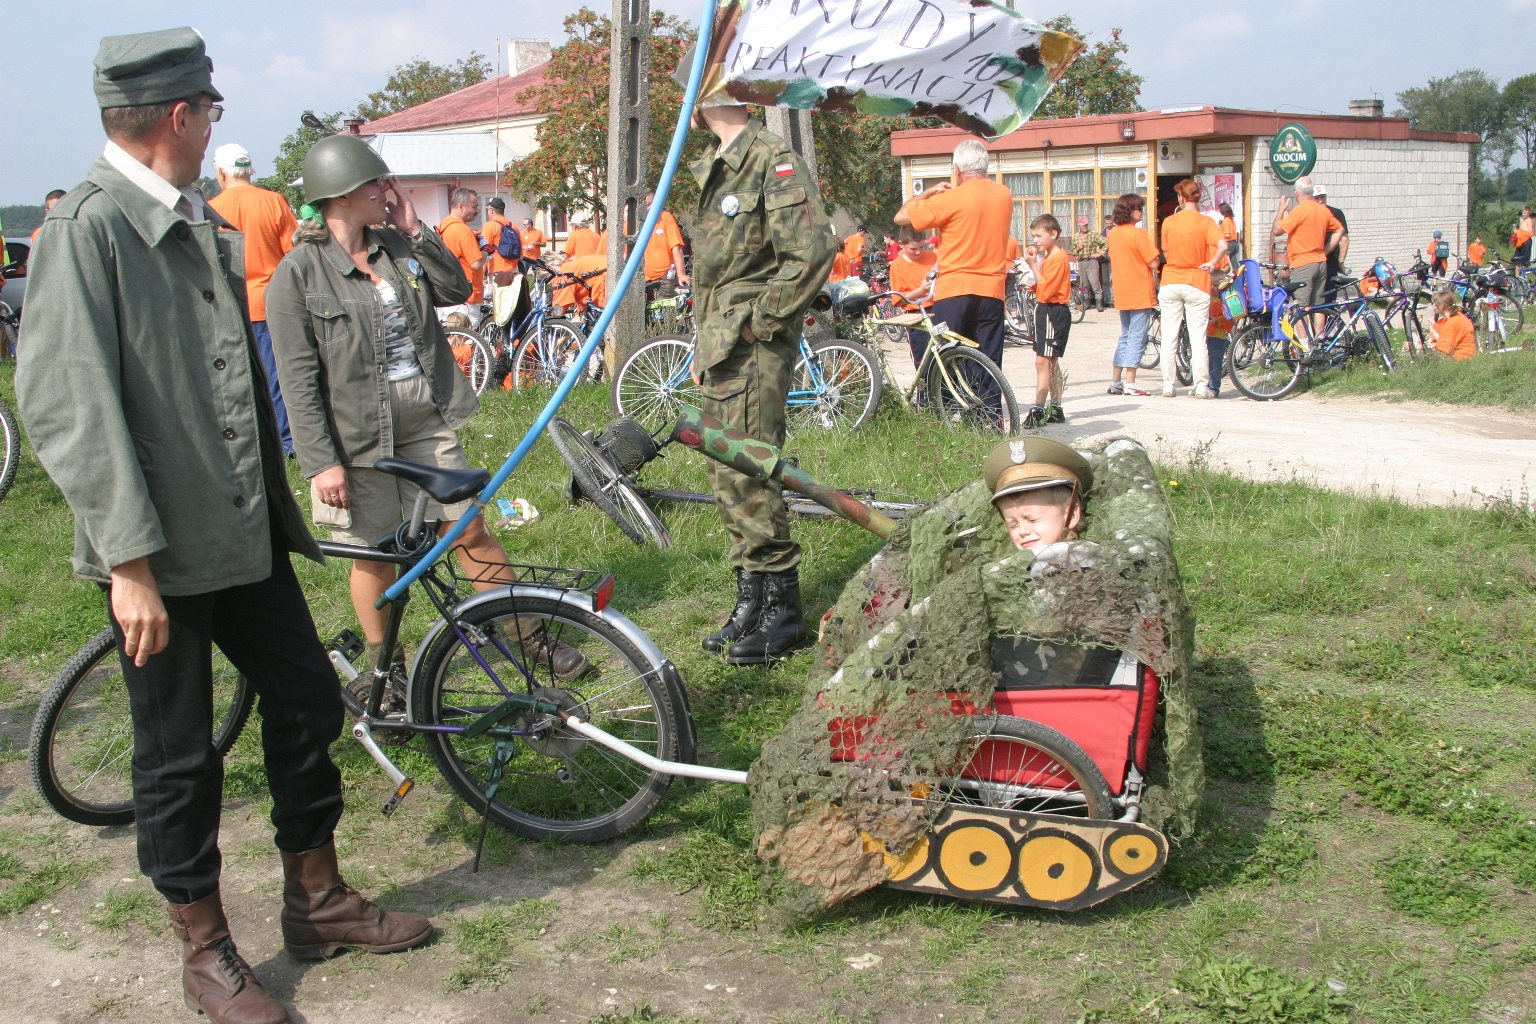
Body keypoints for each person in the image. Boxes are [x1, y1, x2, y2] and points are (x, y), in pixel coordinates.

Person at [16, 29, 433, 1024]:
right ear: (177, 115)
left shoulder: (195, 217)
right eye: (208, 110)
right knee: (178, 754)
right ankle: (205, 953)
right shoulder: (91, 230)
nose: (212, 126)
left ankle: (315, 899)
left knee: (307, 699)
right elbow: (66, 402)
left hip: (241, 531)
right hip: (157, 551)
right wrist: (126, 562)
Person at [267, 135, 588, 687]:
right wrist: (321, 462)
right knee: (377, 554)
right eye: (376, 182)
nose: (387, 190)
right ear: (341, 194)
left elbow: (456, 288)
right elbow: (295, 380)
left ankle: (527, 635)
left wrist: (416, 230)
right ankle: (386, 669)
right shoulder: (297, 274)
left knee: (468, 529)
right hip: (355, 437)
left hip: (425, 416)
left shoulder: (395, 245)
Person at [690, 102, 836, 665]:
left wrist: (757, 322)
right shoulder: (720, 161)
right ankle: (752, 599)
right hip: (722, 341)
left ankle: (783, 611)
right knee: (727, 472)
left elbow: (811, 251)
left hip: (750, 344)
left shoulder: (771, 157)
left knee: (750, 468)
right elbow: (716, 273)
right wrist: (707, 340)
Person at [894, 138, 1012, 384]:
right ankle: (990, 409)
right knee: (988, 363)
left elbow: (901, 217)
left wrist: (926, 194)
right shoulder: (1004, 195)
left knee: (947, 364)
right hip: (992, 290)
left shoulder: (952, 198)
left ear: (957, 170)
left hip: (955, 290)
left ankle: (945, 406)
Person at [208, 143, 298, 456]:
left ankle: (261, 438)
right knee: (280, 374)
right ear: (250, 170)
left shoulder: (212, 209)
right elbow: (294, 253)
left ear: (221, 174)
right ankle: (287, 439)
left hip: (232, 306)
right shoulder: (273, 201)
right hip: (274, 301)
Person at [1161, 178, 1226, 399]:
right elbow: (1223, 245)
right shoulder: (1206, 222)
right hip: (1197, 280)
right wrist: (1212, 262)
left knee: (1169, 336)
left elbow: (1167, 253)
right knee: (1198, 338)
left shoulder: (1169, 222)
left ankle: (1168, 385)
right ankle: (1200, 386)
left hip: (1171, 280)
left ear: (1181, 198)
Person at [983, 436, 1093, 554]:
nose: (1022, 531)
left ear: (1072, 515)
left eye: (1032, 519)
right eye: (1013, 525)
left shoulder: (1096, 560)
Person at [1271, 176, 1342, 339]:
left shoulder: (1299, 211)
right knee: (1318, 305)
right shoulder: (1323, 210)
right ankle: (1319, 340)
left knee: (1299, 307)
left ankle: (1305, 346)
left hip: (1302, 263)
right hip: (1321, 262)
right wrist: (1326, 250)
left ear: (1297, 193)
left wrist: (1281, 209)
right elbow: (1339, 230)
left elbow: (1276, 231)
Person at [1106, 193, 1159, 397]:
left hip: (1122, 290)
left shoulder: (1113, 233)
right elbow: (1152, 262)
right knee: (1137, 336)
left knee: (1125, 335)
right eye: (1139, 209)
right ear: (1131, 211)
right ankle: (1131, 381)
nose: (1142, 212)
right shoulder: (1139, 234)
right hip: (1139, 289)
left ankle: (1116, 381)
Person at [1024, 213, 1071, 426]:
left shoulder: (1058, 258)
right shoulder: (1048, 256)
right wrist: (1034, 284)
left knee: (1043, 361)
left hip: (1053, 311)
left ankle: (1039, 409)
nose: (1036, 240)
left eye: (1039, 236)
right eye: (1033, 236)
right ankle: (1056, 407)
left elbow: (1047, 291)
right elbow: (1043, 286)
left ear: (1053, 234)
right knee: (1050, 361)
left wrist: (1033, 265)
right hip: (1047, 310)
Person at [436, 187, 488, 328]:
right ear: (461, 207)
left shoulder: (443, 226)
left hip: (448, 293)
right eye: (474, 206)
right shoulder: (462, 230)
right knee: (467, 338)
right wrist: (485, 249)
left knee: (451, 336)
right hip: (466, 297)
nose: (477, 210)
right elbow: (476, 263)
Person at [887, 224, 938, 367]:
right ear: (901, 245)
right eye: (913, 249)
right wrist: (921, 290)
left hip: (938, 309)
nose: (918, 252)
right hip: (916, 316)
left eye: (922, 247)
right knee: (924, 359)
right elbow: (899, 300)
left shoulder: (933, 257)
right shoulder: (897, 265)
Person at [640, 190, 689, 294]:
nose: (647, 209)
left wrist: (681, 274)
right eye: (644, 206)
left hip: (666, 277)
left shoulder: (666, 218)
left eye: (649, 204)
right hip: (644, 277)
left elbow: (676, 248)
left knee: (665, 302)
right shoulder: (638, 223)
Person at [1314, 184, 1349, 304]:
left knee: (1329, 296)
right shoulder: (1310, 214)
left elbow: (1344, 238)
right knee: (1314, 297)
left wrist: (1341, 261)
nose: (1320, 200)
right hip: (1312, 261)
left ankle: (1330, 315)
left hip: (1330, 261)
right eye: (1317, 198)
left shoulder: (1336, 213)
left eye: (1322, 197)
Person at [1067, 214, 1107, 311]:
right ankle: (1086, 302)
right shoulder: (1075, 237)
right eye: (1083, 225)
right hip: (1081, 262)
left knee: (1095, 283)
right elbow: (1071, 251)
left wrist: (1100, 253)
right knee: (1083, 284)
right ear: (1079, 225)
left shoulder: (1093, 234)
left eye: (1086, 224)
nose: (1085, 226)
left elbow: (1105, 243)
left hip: (1091, 261)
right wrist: (1077, 248)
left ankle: (1099, 304)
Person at [481, 196, 521, 285]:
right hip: (514, 271)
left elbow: (485, 251)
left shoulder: (489, 226)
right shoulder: (513, 226)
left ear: (491, 210)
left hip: (497, 272)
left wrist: (482, 273)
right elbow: (520, 252)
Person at [1427, 287, 1476, 360]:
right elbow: (1431, 338)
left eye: (1435, 304)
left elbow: (1445, 349)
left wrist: (1433, 337)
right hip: (1455, 355)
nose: (1433, 306)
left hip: (1461, 358)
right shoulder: (1447, 319)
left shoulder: (1454, 322)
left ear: (1441, 306)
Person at [1218, 202, 1240, 268]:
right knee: (1234, 264)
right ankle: (1238, 273)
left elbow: (1227, 235)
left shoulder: (1226, 221)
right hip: (1234, 244)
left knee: (1219, 258)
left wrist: (1218, 234)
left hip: (1229, 244)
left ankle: (1222, 272)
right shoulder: (1231, 220)